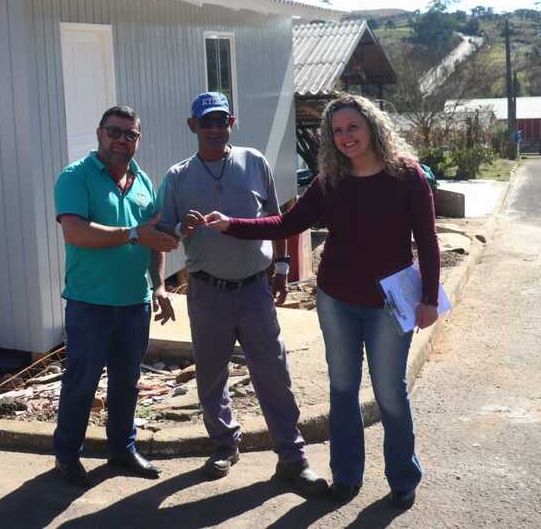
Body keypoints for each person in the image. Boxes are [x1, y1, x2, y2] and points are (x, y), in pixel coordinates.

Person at [203, 93, 440, 511]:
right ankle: (347, 476)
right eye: (337, 131)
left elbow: (427, 239)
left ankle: (403, 476)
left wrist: (428, 298)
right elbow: (288, 222)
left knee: (390, 394)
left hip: (389, 303)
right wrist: (231, 225)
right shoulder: (331, 180)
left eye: (353, 127)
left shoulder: (408, 176)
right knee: (343, 390)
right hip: (337, 300)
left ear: (372, 127)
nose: (346, 137)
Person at [158, 91, 328, 496]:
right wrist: (184, 231)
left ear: (231, 124)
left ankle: (292, 457)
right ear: (192, 126)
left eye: (221, 121)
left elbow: (280, 218)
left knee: (273, 373)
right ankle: (223, 444)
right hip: (207, 291)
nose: (215, 129)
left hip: (255, 289)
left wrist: (283, 269)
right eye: (207, 122)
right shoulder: (178, 176)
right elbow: (162, 235)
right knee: (211, 374)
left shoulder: (254, 162)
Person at [52, 105, 179, 488]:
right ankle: (68, 456)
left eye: (130, 134)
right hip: (89, 304)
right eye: (115, 131)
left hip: (134, 304)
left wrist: (158, 285)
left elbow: (154, 239)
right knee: (82, 382)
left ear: (138, 140)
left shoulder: (143, 182)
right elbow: (75, 232)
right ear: (99, 133)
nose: (121, 140)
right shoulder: (76, 177)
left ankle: (122, 450)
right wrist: (132, 233)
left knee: (127, 382)